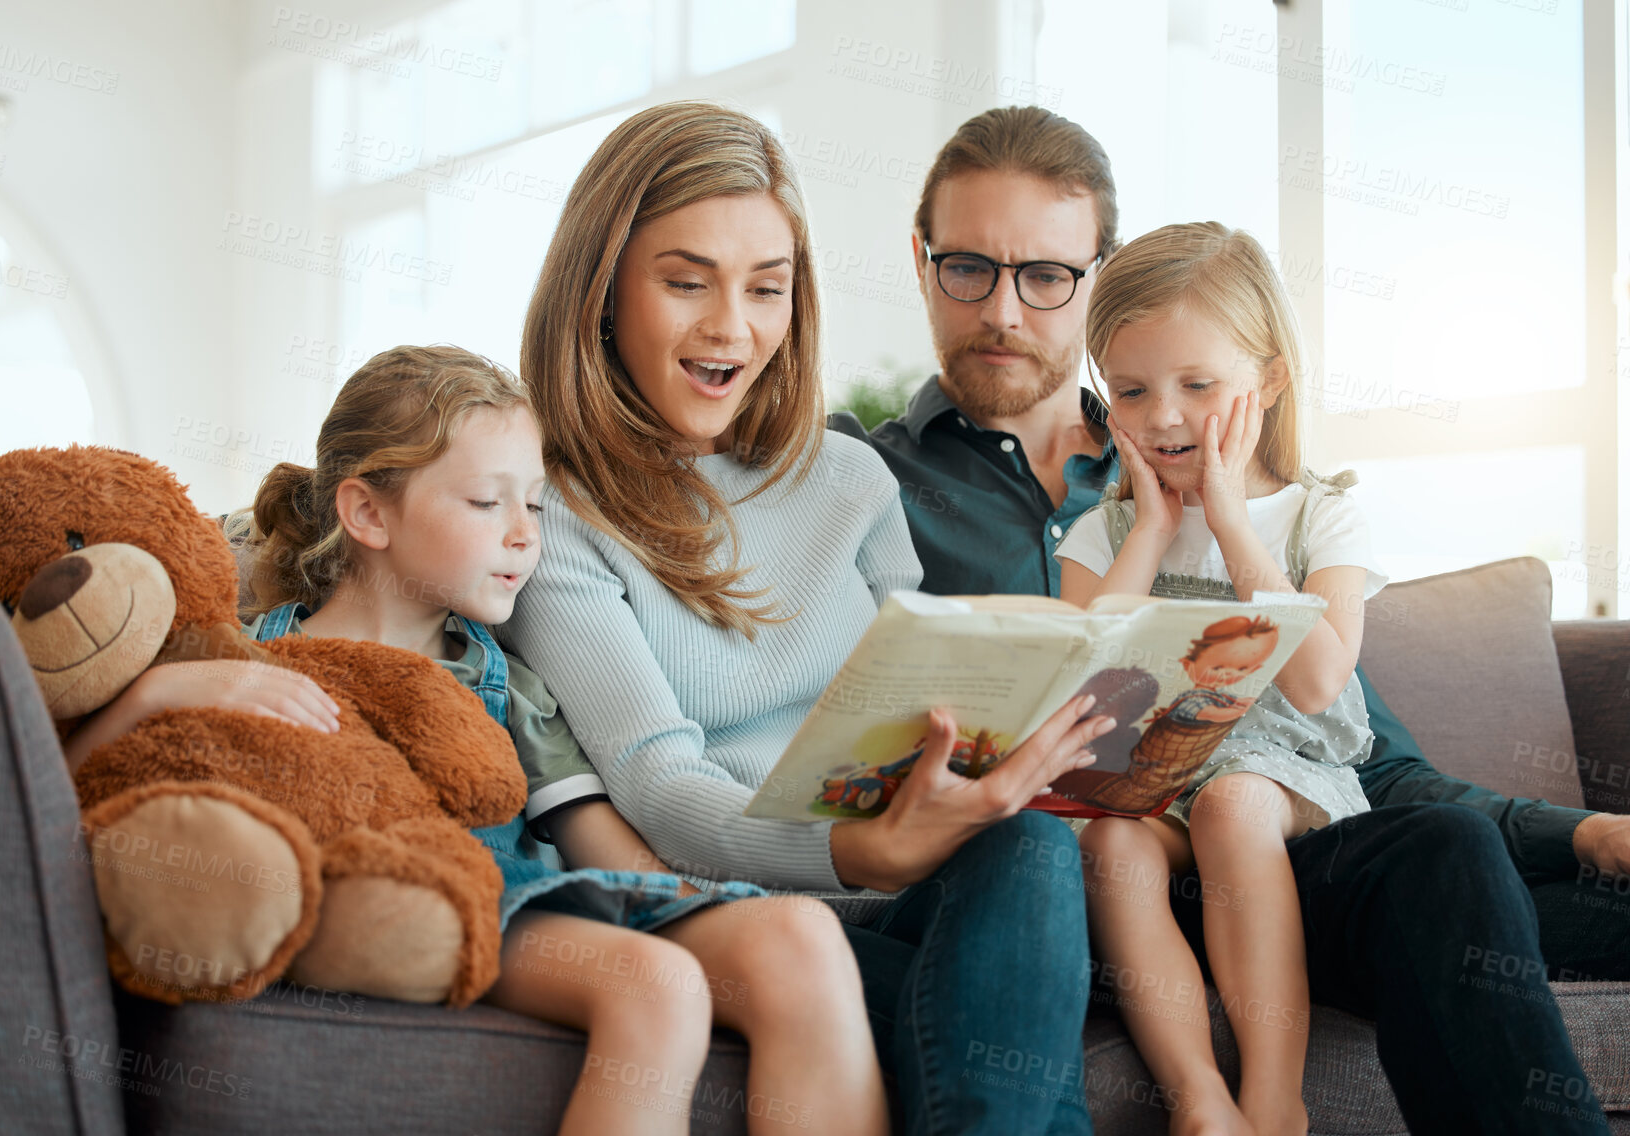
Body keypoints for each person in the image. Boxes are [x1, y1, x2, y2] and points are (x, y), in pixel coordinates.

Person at [833, 105, 1616, 1133]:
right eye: (969, 268)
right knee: (1125, 848)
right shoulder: (862, 483)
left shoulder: (1273, 504)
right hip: (1077, 869)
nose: (1006, 312)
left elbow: (1360, 745)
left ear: (1095, 277)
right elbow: (883, 747)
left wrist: (1579, 828)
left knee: (1447, 851)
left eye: (1046, 275)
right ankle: (1217, 1097)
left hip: (1278, 844)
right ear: (921, 260)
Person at [502, 100, 1117, 1135]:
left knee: (1033, 849)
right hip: (755, 904)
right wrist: (854, 855)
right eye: (683, 280)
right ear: (600, 291)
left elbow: (926, 706)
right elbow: (658, 782)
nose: (728, 327)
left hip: (914, 886)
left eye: (764, 288)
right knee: (1001, 1034)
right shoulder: (552, 511)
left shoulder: (850, 481)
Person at [215, 344, 882, 1136]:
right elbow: (109, 779)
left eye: (533, 505)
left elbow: (598, 843)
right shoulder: (250, 660)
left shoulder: (510, 680)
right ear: (367, 513)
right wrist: (178, 684)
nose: (524, 535)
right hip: (390, 907)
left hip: (527, 903)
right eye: (486, 504)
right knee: (654, 985)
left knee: (797, 937)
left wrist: (726, 908)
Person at [1060, 222, 1387, 1135]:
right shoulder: (1104, 532)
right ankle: (1200, 1100)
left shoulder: (1323, 515)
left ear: (1269, 378)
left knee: (1232, 805)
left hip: (1281, 775)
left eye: (1197, 386)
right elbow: (1084, 685)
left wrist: (1234, 522)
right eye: (1130, 390)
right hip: (1155, 779)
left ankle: (1275, 1099)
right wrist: (1153, 534)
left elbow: (1319, 682)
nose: (1163, 417)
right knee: (1112, 849)